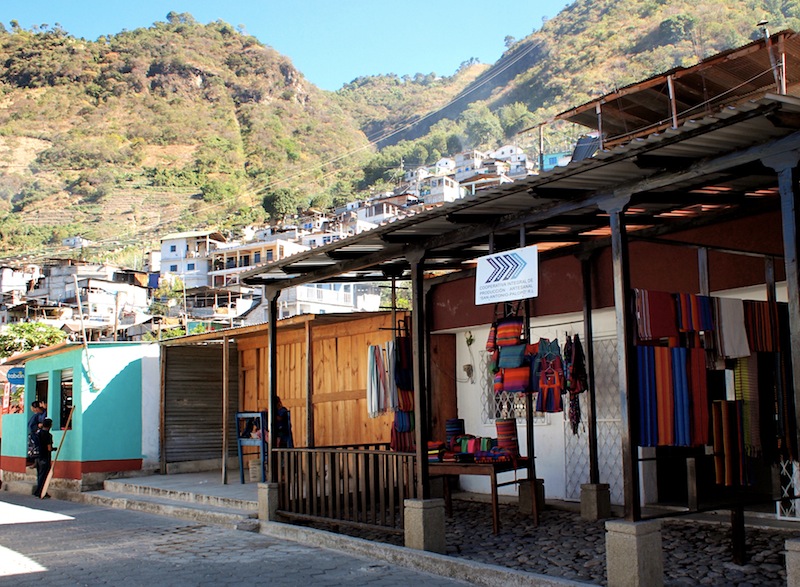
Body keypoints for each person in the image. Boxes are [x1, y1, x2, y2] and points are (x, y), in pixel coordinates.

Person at [34, 418, 54, 499]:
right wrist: (53, 449)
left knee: (40, 475)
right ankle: (40, 492)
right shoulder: (48, 435)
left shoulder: (38, 433)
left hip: (38, 457)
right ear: (50, 426)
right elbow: (49, 448)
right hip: (45, 457)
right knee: (44, 476)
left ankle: (39, 491)